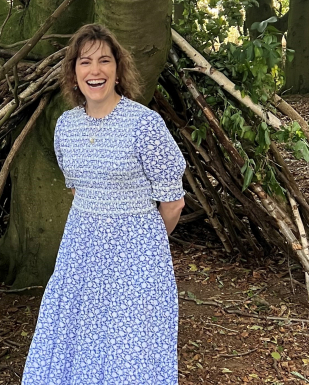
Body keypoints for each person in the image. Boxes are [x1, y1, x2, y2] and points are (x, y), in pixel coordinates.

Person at [21, 23, 186, 385]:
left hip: (136, 260)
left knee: (131, 344)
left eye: (104, 61)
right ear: (73, 71)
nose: (94, 70)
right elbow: (78, 189)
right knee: (76, 336)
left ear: (118, 69)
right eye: (85, 62)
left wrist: (144, 244)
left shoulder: (145, 125)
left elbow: (173, 202)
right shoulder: (65, 126)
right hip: (81, 255)